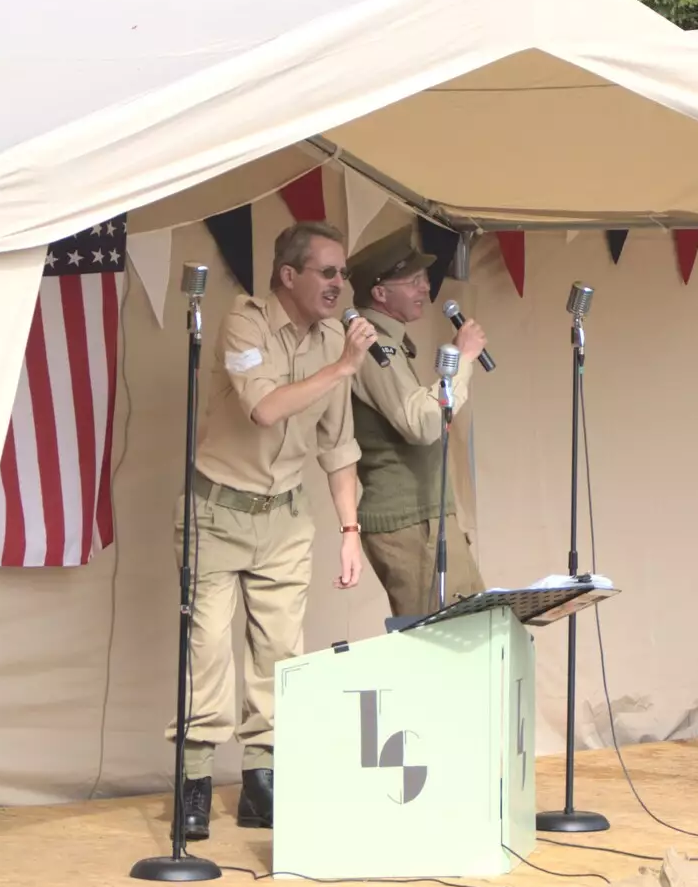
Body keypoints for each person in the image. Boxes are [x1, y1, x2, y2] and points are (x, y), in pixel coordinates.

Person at [169, 220, 377, 841]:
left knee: (280, 655)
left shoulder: (334, 341)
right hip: (218, 509)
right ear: (289, 275)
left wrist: (349, 529)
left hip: (285, 516)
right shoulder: (245, 320)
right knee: (205, 650)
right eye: (329, 272)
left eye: (344, 274)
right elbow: (263, 408)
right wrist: (343, 367)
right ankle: (195, 783)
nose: (341, 285)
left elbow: (337, 446)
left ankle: (262, 784)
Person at [344, 228, 489, 617]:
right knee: (445, 636)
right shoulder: (373, 345)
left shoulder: (390, 342)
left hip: (423, 515)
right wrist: (463, 359)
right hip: (408, 520)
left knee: (472, 627)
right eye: (413, 281)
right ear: (380, 293)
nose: (426, 288)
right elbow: (421, 425)